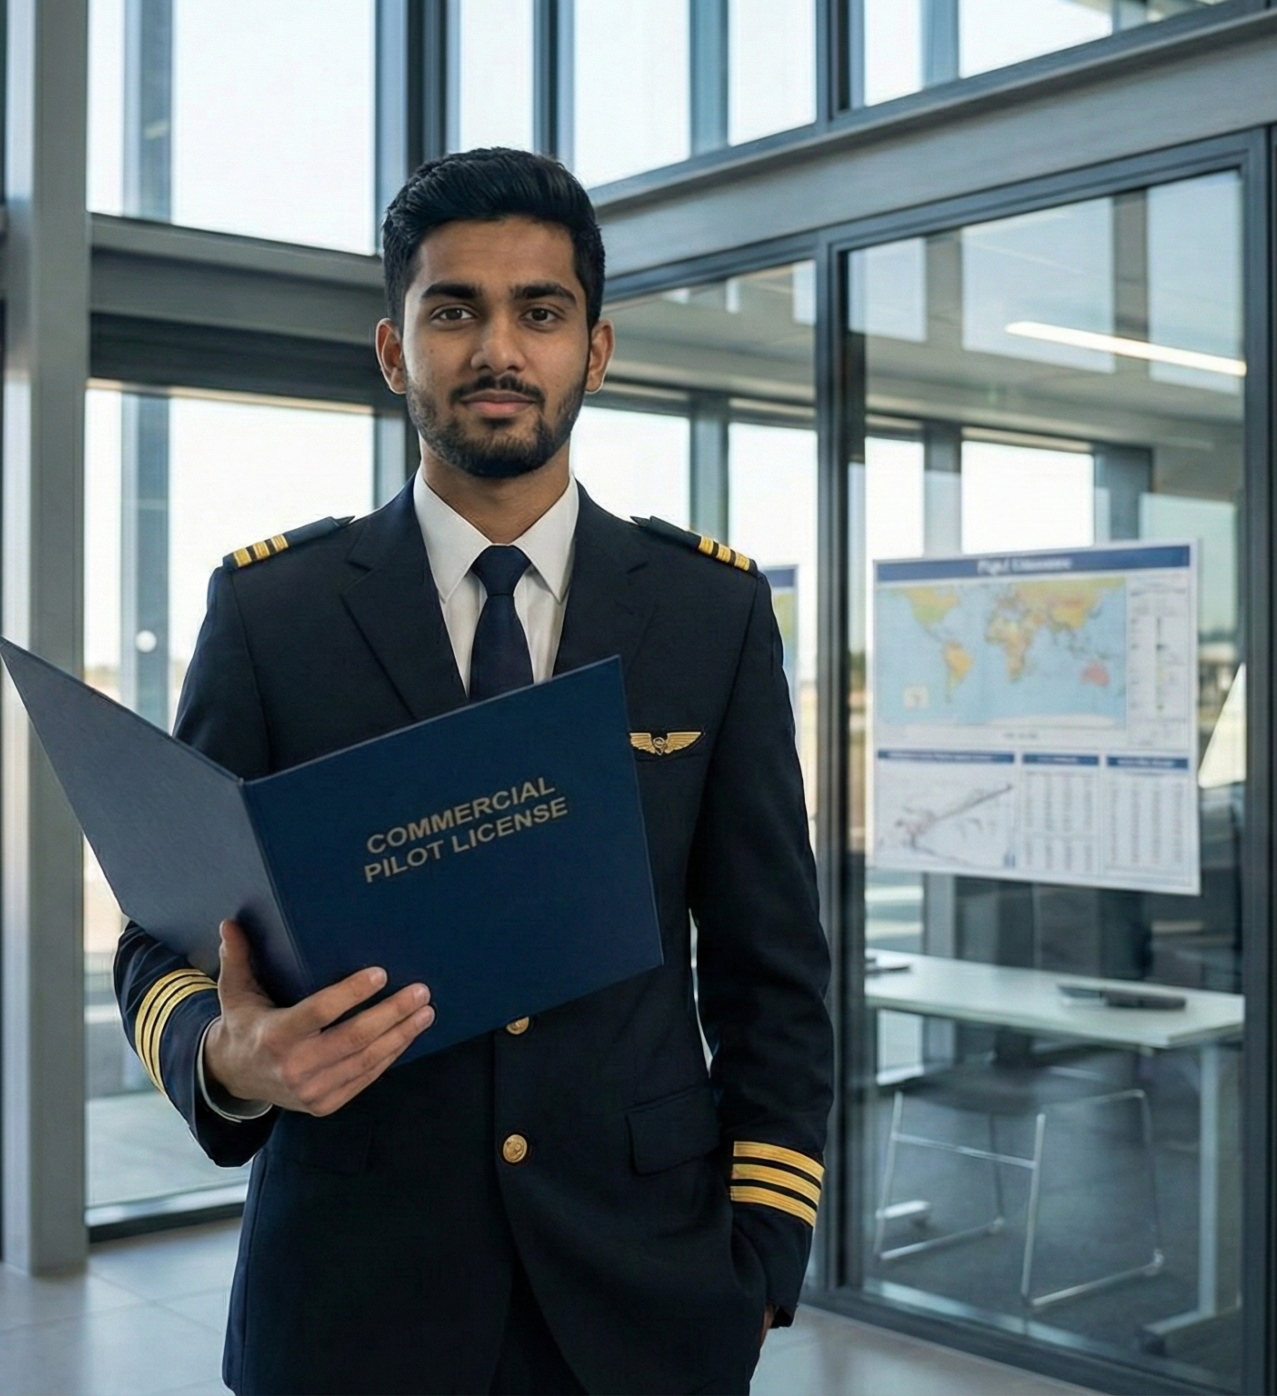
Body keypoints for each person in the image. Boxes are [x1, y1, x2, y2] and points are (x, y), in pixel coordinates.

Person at [112, 147, 831, 1395]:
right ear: (394, 351)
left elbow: (774, 970)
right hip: (349, 1286)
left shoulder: (710, 614)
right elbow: (161, 941)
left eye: (539, 312)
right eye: (454, 309)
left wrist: (766, 1252)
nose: (499, 348)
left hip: (643, 1286)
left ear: (594, 351)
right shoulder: (270, 612)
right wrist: (228, 1064)